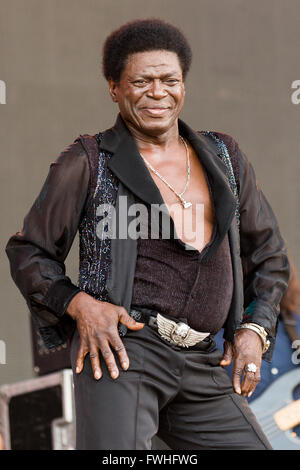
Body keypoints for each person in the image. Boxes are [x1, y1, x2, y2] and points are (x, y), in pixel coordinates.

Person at [5, 19, 290, 450]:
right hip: (123, 353)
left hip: (204, 358)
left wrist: (256, 329)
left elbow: (269, 254)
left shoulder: (224, 156)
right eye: (142, 81)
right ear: (114, 88)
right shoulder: (87, 160)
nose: (158, 92)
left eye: (169, 80)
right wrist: (80, 304)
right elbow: (28, 251)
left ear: (183, 85)